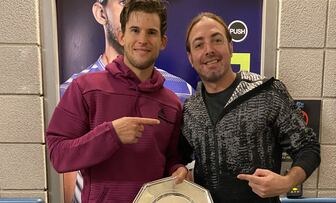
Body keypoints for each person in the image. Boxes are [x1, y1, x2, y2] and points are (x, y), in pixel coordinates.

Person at [47, 0, 189, 202]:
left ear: (162, 41)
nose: (142, 39)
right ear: (122, 36)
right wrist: (111, 134)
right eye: (135, 30)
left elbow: (170, 159)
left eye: (151, 32)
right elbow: (58, 155)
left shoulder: (172, 103)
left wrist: (178, 169)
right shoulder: (85, 88)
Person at [180, 12, 321, 203]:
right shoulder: (191, 109)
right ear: (190, 57)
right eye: (199, 45)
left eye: (217, 40)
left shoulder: (268, 92)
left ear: (230, 46)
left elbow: (308, 147)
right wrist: (179, 169)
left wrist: (288, 182)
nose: (209, 50)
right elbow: (177, 157)